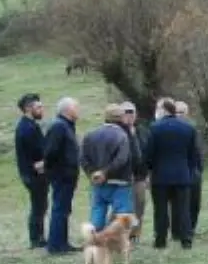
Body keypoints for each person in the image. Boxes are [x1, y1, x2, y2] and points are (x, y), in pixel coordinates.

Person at [145, 98, 201, 249]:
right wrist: (189, 170)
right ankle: (186, 239)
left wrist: (149, 169)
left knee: (161, 210)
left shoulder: (154, 128)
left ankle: (160, 240)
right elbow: (193, 154)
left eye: (158, 108)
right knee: (183, 208)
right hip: (182, 175)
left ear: (163, 110)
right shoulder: (188, 128)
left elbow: (149, 154)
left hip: (160, 176)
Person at [80, 104, 134, 233]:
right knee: (122, 214)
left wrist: (93, 173)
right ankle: (119, 242)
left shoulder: (90, 135)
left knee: (98, 211)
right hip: (120, 181)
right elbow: (122, 159)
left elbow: (82, 158)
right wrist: (105, 172)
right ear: (120, 118)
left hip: (98, 182)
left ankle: (94, 240)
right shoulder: (122, 135)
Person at [43, 97, 81, 254]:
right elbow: (51, 152)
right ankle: (55, 245)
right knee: (60, 209)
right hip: (62, 175)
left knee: (64, 209)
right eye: (76, 107)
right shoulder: (59, 126)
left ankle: (63, 243)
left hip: (68, 174)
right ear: (67, 110)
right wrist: (57, 170)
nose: (78, 110)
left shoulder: (67, 126)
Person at [14, 93, 48, 248]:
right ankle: (36, 239)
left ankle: (38, 237)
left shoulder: (29, 125)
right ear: (28, 108)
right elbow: (35, 151)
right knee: (38, 205)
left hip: (32, 172)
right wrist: (40, 163)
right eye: (38, 107)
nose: (42, 109)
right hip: (33, 174)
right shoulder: (27, 128)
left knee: (40, 205)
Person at [118, 102, 149, 241]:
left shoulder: (142, 131)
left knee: (140, 205)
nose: (129, 116)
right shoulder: (117, 131)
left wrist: (148, 172)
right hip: (123, 176)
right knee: (122, 207)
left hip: (140, 175)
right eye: (126, 112)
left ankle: (135, 234)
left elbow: (147, 151)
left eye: (132, 112)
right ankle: (120, 233)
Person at [175, 101, 204, 232]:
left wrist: (199, 168)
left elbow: (198, 150)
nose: (179, 115)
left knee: (195, 201)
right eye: (177, 112)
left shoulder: (192, 129)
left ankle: (192, 226)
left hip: (193, 170)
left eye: (182, 112)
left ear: (187, 114)